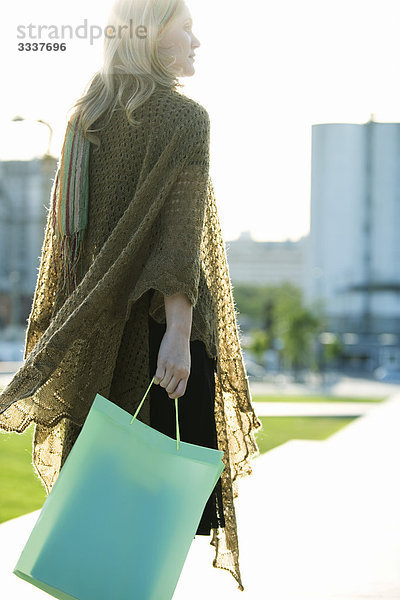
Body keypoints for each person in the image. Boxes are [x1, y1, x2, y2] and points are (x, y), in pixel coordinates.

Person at [0, 0, 262, 591]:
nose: (198, 41)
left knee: (99, 501)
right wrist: (178, 335)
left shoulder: (84, 118)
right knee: (151, 515)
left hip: (95, 336)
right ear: (150, 35)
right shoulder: (186, 119)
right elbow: (181, 240)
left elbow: (69, 243)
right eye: (187, 28)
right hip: (154, 334)